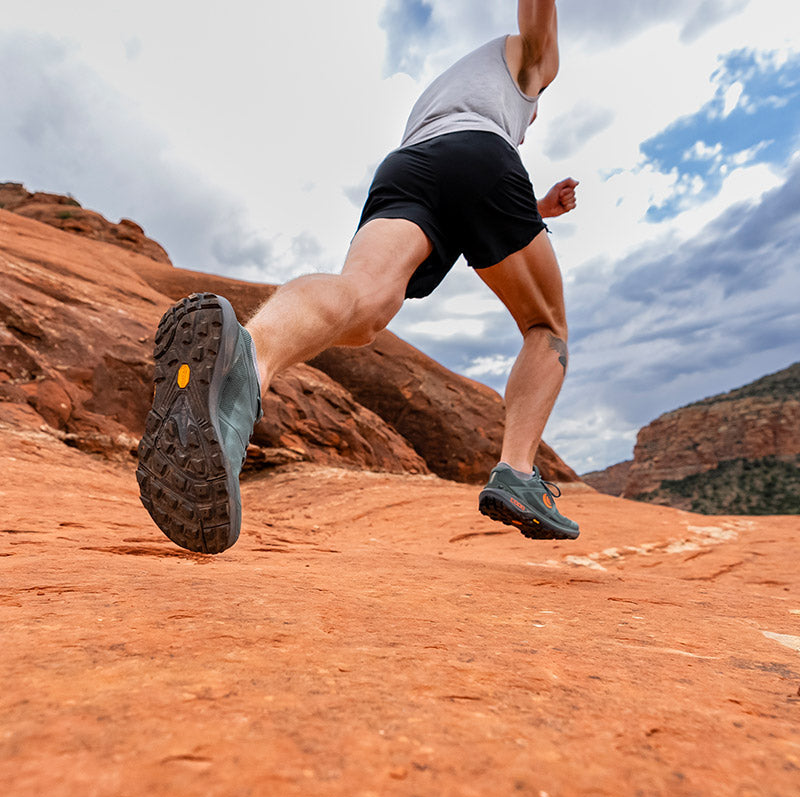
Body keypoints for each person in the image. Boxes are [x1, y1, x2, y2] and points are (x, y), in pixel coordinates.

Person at [136, 0, 580, 554]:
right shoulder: (530, 70)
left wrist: (534, 208)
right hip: (481, 156)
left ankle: (247, 361)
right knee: (547, 327)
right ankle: (517, 474)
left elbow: (466, 194)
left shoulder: (447, 89)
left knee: (363, 301)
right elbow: (531, 37)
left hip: (408, 165)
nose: (532, 117)